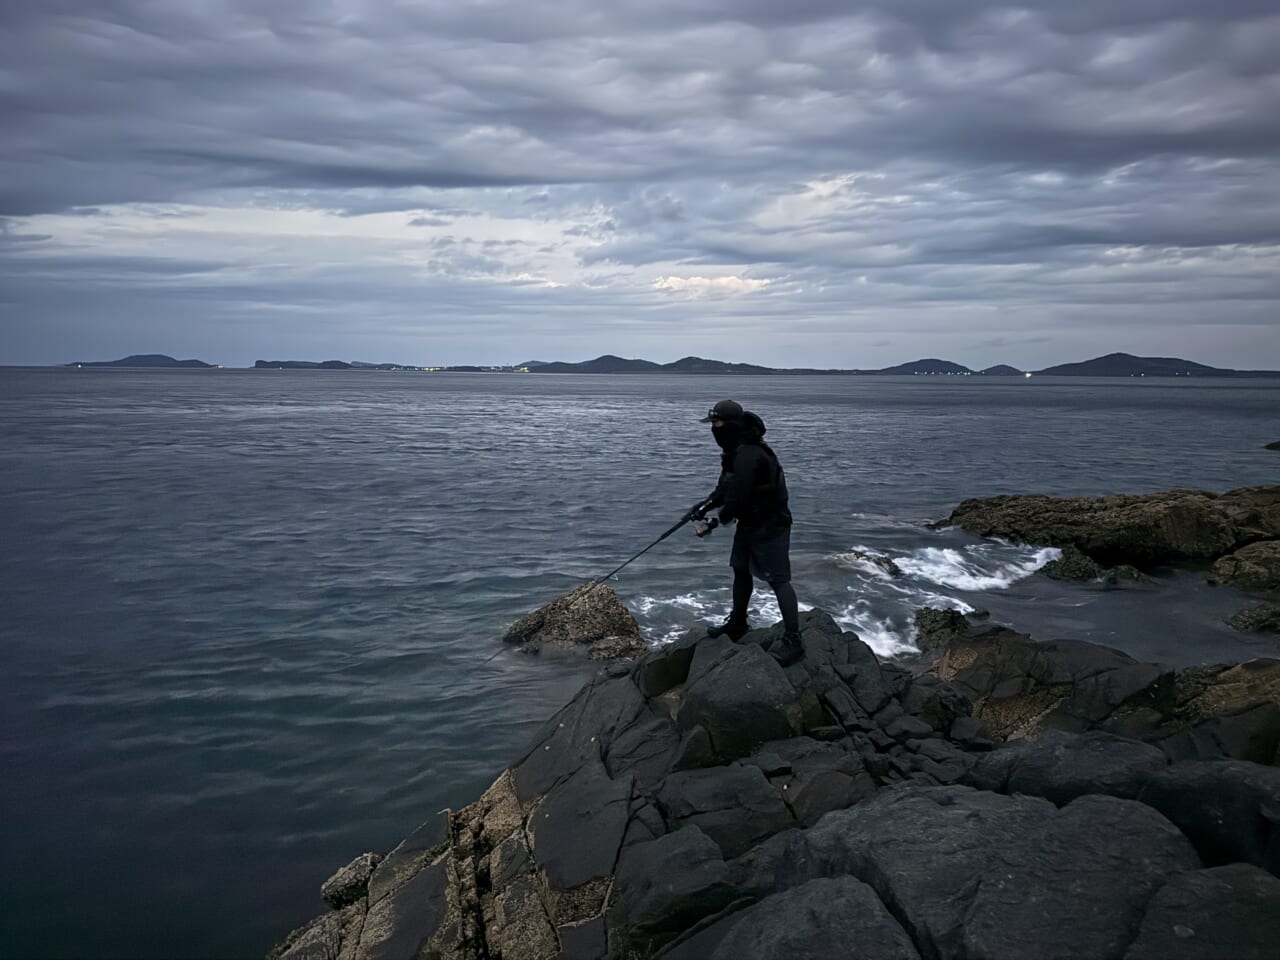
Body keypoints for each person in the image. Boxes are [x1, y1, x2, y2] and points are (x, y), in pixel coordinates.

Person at [692, 399, 802, 666]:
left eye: (716, 423)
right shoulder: (735, 452)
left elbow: (739, 497)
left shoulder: (751, 454)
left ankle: (794, 641)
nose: (713, 429)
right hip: (750, 523)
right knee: (740, 569)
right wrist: (704, 505)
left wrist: (715, 521)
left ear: (730, 425)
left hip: (772, 524)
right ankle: (738, 623)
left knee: (778, 580)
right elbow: (725, 489)